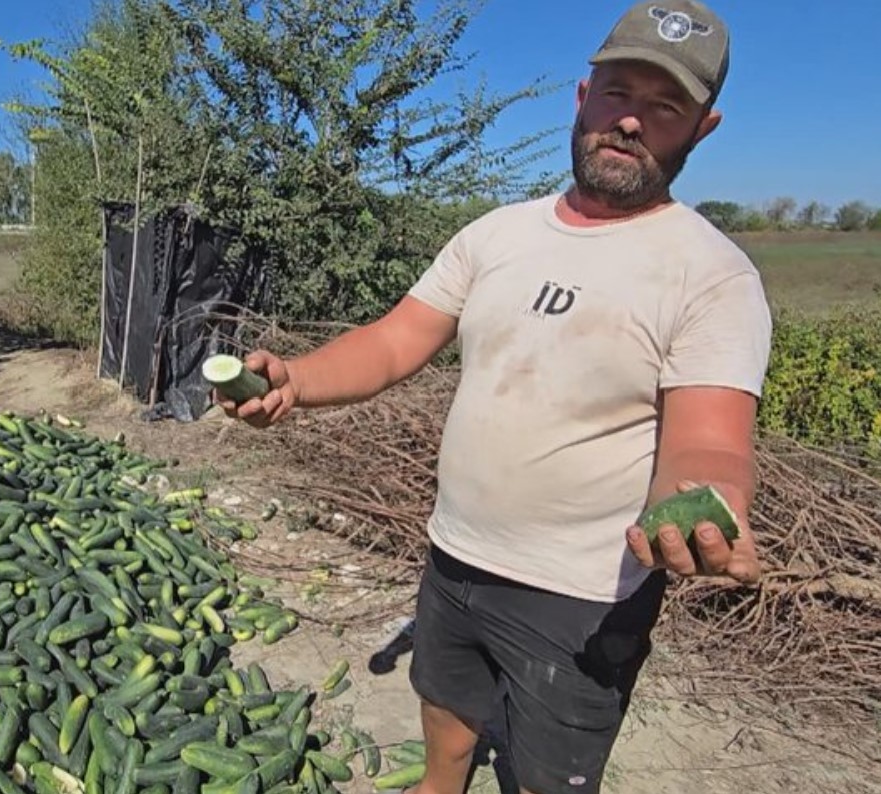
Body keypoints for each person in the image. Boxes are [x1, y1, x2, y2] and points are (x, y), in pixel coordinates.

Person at [213, 1, 771, 792]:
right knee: (444, 703)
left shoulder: (711, 274)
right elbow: (395, 340)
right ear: (583, 99)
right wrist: (297, 381)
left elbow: (707, 439)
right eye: (618, 94)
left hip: (580, 597)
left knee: (549, 773)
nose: (632, 123)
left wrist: (704, 497)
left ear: (702, 128)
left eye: (665, 106)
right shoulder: (496, 235)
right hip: (455, 552)